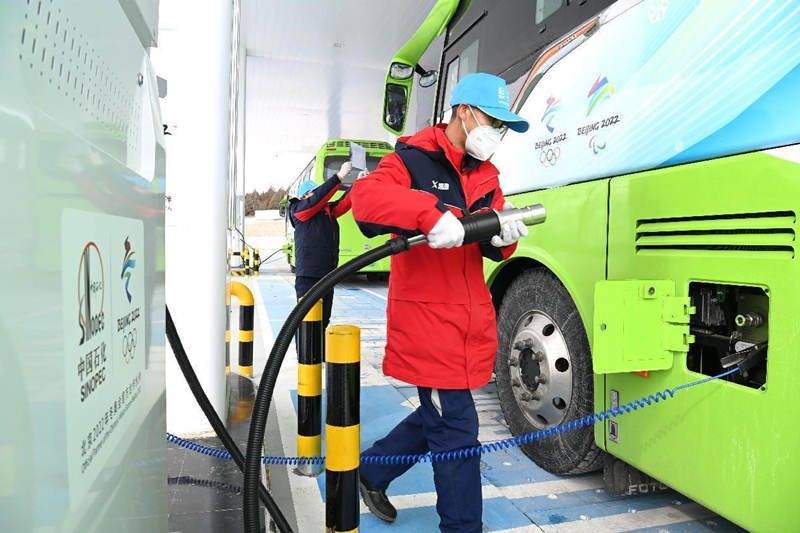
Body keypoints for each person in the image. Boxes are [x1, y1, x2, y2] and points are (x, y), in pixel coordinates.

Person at [350, 73, 530, 532]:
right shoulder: (411, 160)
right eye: (493, 120)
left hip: (469, 326)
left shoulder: (486, 176)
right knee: (456, 430)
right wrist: (428, 215)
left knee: (440, 416)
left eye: (503, 126)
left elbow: (490, 242)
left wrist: (504, 236)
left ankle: (371, 471)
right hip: (428, 326)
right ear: (463, 112)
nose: (497, 133)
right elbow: (365, 200)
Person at [288, 161, 358, 329]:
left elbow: (345, 201)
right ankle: (303, 349)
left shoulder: (327, 212)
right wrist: (339, 177)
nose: (318, 196)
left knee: (323, 321)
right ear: (305, 196)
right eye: (314, 192)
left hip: (327, 274)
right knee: (306, 322)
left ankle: (319, 347)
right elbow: (317, 199)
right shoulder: (299, 210)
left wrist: (359, 183)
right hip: (309, 276)